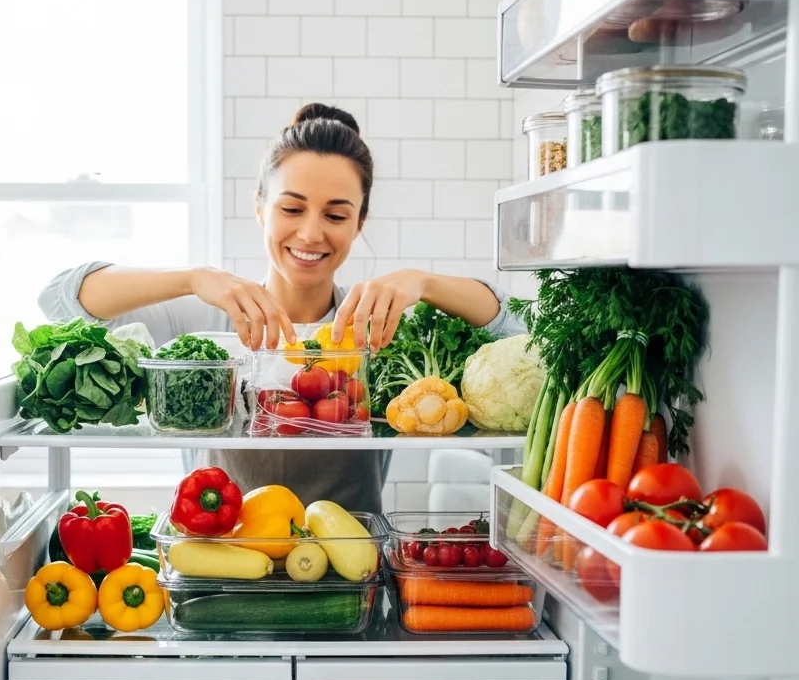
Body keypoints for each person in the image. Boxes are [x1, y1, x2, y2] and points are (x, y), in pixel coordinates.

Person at [39, 102, 523, 513]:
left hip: (349, 576)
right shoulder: (199, 320)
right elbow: (62, 302)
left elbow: (515, 328)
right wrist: (191, 278)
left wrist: (427, 282)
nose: (311, 233)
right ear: (259, 207)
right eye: (292, 209)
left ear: (360, 223)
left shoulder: (381, 324)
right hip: (220, 570)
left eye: (336, 214)